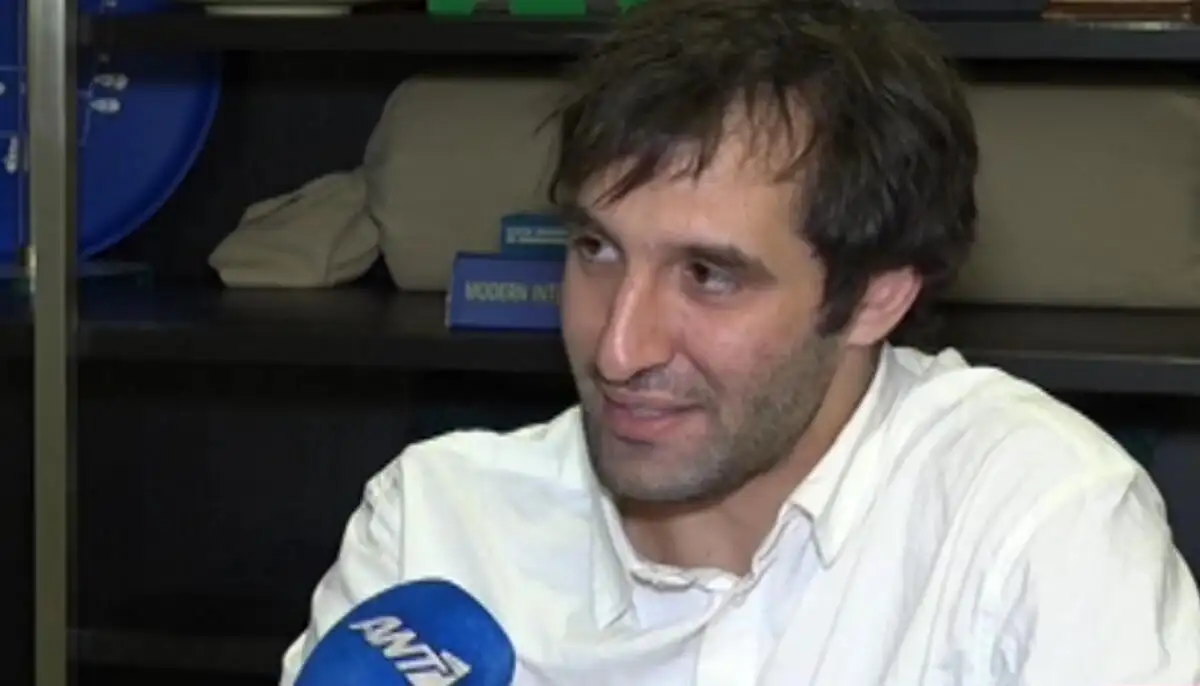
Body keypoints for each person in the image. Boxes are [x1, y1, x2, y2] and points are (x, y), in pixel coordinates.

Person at [280, 0, 1200, 683]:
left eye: (708, 275)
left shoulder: (1036, 521)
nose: (619, 350)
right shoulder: (438, 524)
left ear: (875, 295)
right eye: (597, 250)